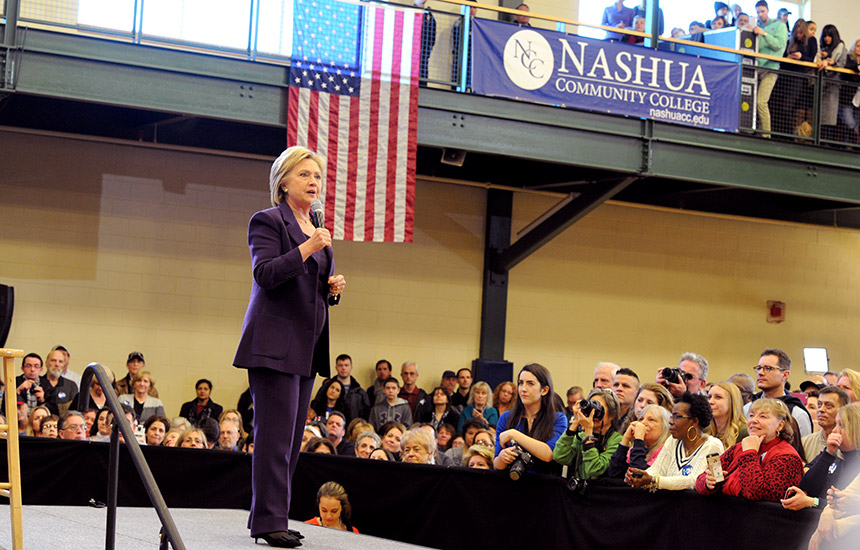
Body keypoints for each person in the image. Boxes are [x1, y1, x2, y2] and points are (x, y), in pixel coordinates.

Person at [232, 145, 346, 549]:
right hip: (273, 345)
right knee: (273, 438)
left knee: (292, 437)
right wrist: (311, 248)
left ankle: (276, 516)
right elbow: (265, 273)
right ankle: (267, 521)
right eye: (304, 175)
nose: (314, 182)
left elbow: (309, 285)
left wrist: (332, 289)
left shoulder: (314, 226)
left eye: (317, 176)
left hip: (306, 345)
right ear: (282, 182)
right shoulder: (269, 221)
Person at [696, 398, 803, 501]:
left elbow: (755, 492)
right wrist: (708, 483)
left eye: (763, 417)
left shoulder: (788, 457)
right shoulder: (738, 447)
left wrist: (749, 453)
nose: (753, 420)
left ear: (780, 425)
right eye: (751, 415)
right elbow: (701, 479)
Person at [626, 393, 723, 490]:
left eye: (677, 417)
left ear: (694, 421)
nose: (671, 421)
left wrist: (654, 480)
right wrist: (639, 476)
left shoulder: (713, 445)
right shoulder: (673, 441)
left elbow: (694, 481)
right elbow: (655, 470)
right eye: (671, 416)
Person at [782, 405, 860, 511]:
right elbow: (806, 487)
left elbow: (846, 505)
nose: (834, 431)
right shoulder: (831, 453)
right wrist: (828, 454)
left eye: (841, 425)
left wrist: (813, 502)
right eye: (836, 424)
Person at [495, 363, 566, 476]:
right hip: (512, 485)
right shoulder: (506, 417)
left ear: (544, 390)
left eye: (530, 384)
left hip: (545, 486)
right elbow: (496, 464)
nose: (523, 389)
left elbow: (548, 454)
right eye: (520, 383)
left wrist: (514, 434)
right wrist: (502, 457)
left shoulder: (558, 419)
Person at [555, 388, 622, 480]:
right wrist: (576, 422)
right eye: (591, 408)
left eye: (598, 408)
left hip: (601, 492)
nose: (592, 413)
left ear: (612, 414)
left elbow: (594, 469)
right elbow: (560, 457)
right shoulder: (582, 435)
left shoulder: (618, 440)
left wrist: (588, 433)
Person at [745, 348, 813, 437]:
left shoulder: (796, 413)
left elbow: (802, 448)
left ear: (785, 374)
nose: (760, 373)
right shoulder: (748, 408)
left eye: (768, 368)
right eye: (759, 368)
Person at [750, 1, 788, 138]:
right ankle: (757, 132)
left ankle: (766, 136)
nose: (760, 15)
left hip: (771, 69)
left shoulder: (779, 25)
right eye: (758, 12)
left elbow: (779, 45)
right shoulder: (756, 26)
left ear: (767, 10)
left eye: (762, 11)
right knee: (752, 101)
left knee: (761, 101)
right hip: (755, 68)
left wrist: (764, 33)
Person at [774, 19, 817, 137]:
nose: (799, 36)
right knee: (780, 105)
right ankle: (778, 133)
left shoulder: (811, 41)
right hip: (785, 76)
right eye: (797, 33)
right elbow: (782, 61)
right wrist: (788, 57)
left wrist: (801, 57)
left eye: (801, 33)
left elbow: (811, 60)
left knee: (790, 107)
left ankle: (787, 135)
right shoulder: (790, 42)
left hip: (799, 78)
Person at [608, 404, 671, 478]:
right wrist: (626, 439)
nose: (643, 423)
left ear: (665, 427)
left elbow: (639, 477)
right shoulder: (634, 448)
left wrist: (639, 439)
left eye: (651, 420)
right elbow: (613, 473)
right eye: (641, 419)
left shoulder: (666, 451)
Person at [803, 387, 850, 462]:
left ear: (843, 409)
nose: (821, 409)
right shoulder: (805, 443)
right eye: (819, 404)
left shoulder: (849, 447)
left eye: (828, 405)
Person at [706, 382, 749, 449]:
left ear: (732, 402)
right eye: (709, 397)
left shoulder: (745, 432)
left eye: (718, 397)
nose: (710, 401)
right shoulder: (704, 430)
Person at [414, 0, 436, 85]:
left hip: (424, 48)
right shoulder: (412, 12)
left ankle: (423, 85)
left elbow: (433, 30)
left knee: (423, 68)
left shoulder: (428, 15)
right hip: (414, 48)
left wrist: (430, 45)